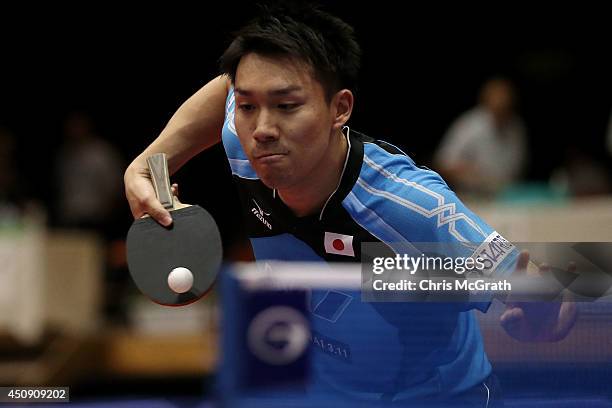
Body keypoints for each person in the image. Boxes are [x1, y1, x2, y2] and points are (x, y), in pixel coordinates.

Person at [124, 5, 576, 406]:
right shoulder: (249, 141)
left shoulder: (408, 208)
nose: (261, 127)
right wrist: (150, 162)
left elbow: (538, 286)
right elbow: (228, 88)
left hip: (433, 398)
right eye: (248, 106)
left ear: (340, 109)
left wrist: (549, 313)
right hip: (315, 391)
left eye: (286, 105)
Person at [434, 78, 527, 198]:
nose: (501, 112)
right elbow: (443, 163)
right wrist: (471, 173)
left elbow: (518, 167)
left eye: (505, 108)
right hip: (471, 196)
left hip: (506, 196)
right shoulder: (470, 124)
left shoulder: (516, 127)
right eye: (497, 107)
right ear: (485, 102)